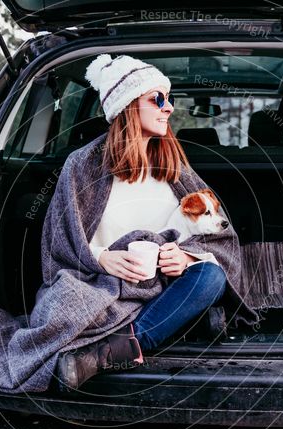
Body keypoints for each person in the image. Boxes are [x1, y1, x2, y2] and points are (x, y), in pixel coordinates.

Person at [54, 53, 231, 391]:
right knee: (64, 298)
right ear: (126, 106)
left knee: (211, 276)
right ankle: (182, 322)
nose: (168, 108)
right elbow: (61, 244)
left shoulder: (175, 166)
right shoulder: (81, 166)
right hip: (103, 282)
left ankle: (108, 352)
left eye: (170, 99)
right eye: (157, 99)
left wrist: (188, 257)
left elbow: (218, 241)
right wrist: (103, 257)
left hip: (164, 285)